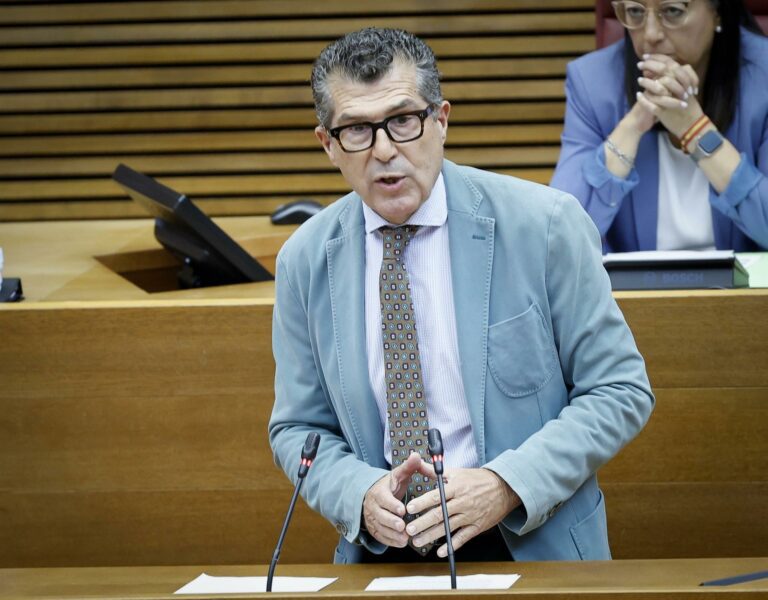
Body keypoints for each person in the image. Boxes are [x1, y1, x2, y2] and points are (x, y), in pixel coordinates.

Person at [268, 27, 654, 564]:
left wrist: (507, 484)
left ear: (441, 120)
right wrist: (357, 494)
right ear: (328, 144)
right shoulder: (305, 260)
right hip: (383, 551)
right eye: (356, 130)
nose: (385, 150)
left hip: (529, 539)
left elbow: (619, 389)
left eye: (404, 121)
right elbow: (297, 427)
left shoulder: (545, 225)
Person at [550, 0, 768, 253]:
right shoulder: (592, 82)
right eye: (635, 11)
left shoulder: (763, 77)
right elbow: (560, 241)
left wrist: (695, 130)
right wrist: (633, 125)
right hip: (637, 281)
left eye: (673, 11)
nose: (651, 34)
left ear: (718, 11)